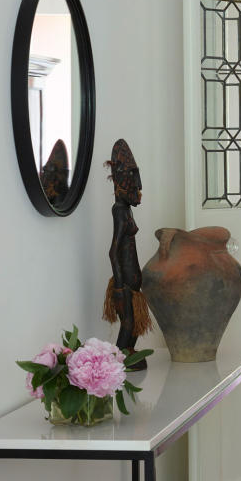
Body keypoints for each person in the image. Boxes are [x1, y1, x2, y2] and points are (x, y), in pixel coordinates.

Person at [102, 139, 152, 365]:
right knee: (128, 324)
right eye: (133, 180)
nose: (138, 187)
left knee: (134, 327)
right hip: (125, 283)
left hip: (133, 281)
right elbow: (113, 251)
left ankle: (128, 353)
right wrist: (120, 284)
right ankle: (119, 360)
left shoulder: (127, 210)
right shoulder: (119, 211)